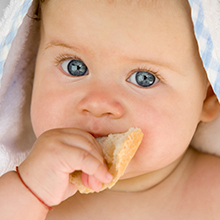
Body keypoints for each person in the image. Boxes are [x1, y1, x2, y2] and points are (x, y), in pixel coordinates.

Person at [0, 0, 220, 219]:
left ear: (208, 97)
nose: (98, 104)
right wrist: (29, 190)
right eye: (75, 67)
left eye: (144, 79)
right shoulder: (26, 195)